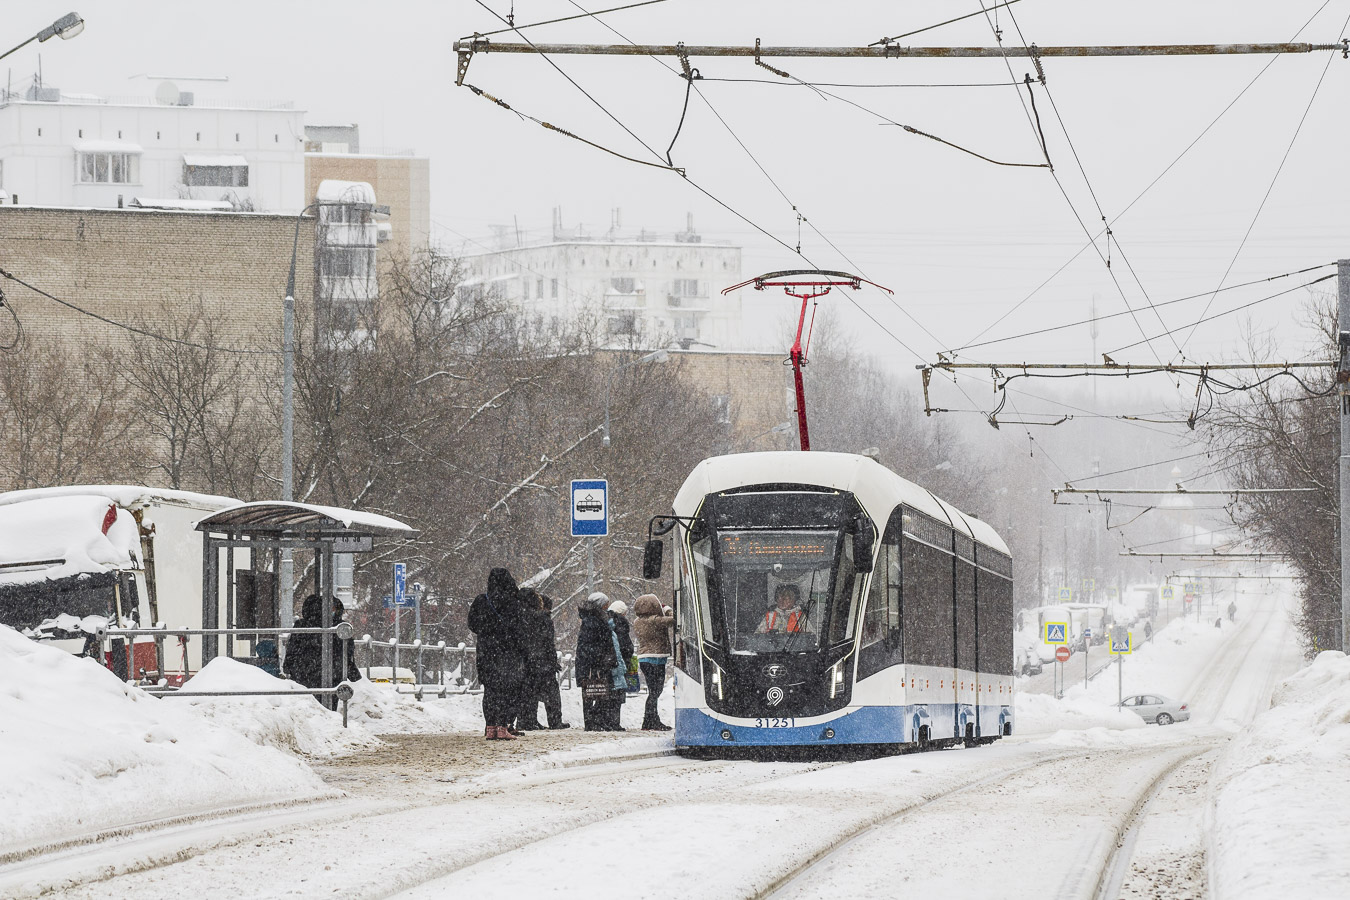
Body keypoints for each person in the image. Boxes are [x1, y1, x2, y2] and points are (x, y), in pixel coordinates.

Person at [468, 568, 528, 741]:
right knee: (505, 690)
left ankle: (490, 727)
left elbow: (472, 624)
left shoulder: (481, 600)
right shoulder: (513, 601)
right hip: (506, 652)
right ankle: (502, 727)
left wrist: (487, 631)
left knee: (490, 690)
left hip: (486, 651)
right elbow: (520, 628)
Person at [286, 594, 361, 709]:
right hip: (331, 674)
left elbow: (292, 649)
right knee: (329, 705)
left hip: (304, 674)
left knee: (307, 705)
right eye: (331, 609)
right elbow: (347, 653)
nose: (333, 612)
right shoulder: (340, 628)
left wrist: (290, 666)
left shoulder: (302, 626)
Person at [518, 589, 569, 730]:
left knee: (529, 693)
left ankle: (527, 721)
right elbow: (548, 643)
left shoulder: (523, 617)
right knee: (552, 693)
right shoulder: (544, 619)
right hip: (543, 662)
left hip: (529, 661)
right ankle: (555, 721)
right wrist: (552, 661)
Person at [575, 593, 619, 731]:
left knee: (598, 691)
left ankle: (594, 720)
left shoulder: (594, 619)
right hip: (594, 663)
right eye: (605, 603)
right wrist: (600, 657)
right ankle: (592, 721)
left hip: (595, 661)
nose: (608, 606)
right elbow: (591, 644)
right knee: (595, 691)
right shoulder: (593, 620)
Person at [633, 593, 675, 730]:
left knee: (653, 691)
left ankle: (651, 719)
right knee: (656, 691)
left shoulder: (637, 621)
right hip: (656, 658)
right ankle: (650, 720)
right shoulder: (655, 620)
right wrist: (667, 608)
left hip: (644, 658)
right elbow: (674, 619)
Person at [606, 599, 633, 729]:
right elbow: (624, 645)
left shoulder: (607, 623)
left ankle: (610, 721)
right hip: (618, 663)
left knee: (611, 693)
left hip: (611, 662)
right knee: (617, 693)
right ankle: (614, 722)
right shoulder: (620, 623)